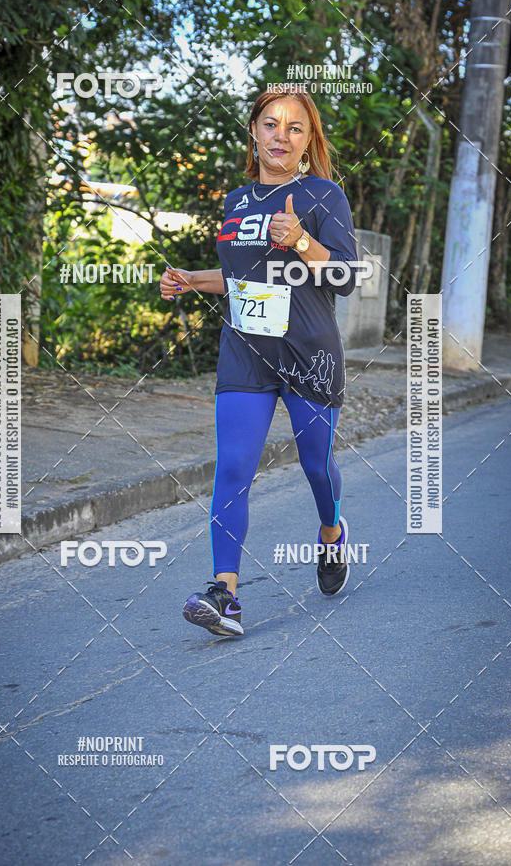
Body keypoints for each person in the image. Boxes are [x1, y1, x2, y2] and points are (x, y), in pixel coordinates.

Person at [159, 89, 358, 637]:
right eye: (270, 124)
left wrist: (301, 242)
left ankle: (332, 531)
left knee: (316, 465)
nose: (280, 136)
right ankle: (224, 594)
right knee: (233, 468)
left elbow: (344, 275)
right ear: (253, 132)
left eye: (295, 129)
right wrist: (190, 280)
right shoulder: (236, 202)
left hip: (309, 352)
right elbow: (242, 278)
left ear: (308, 141)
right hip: (246, 352)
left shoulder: (323, 196)